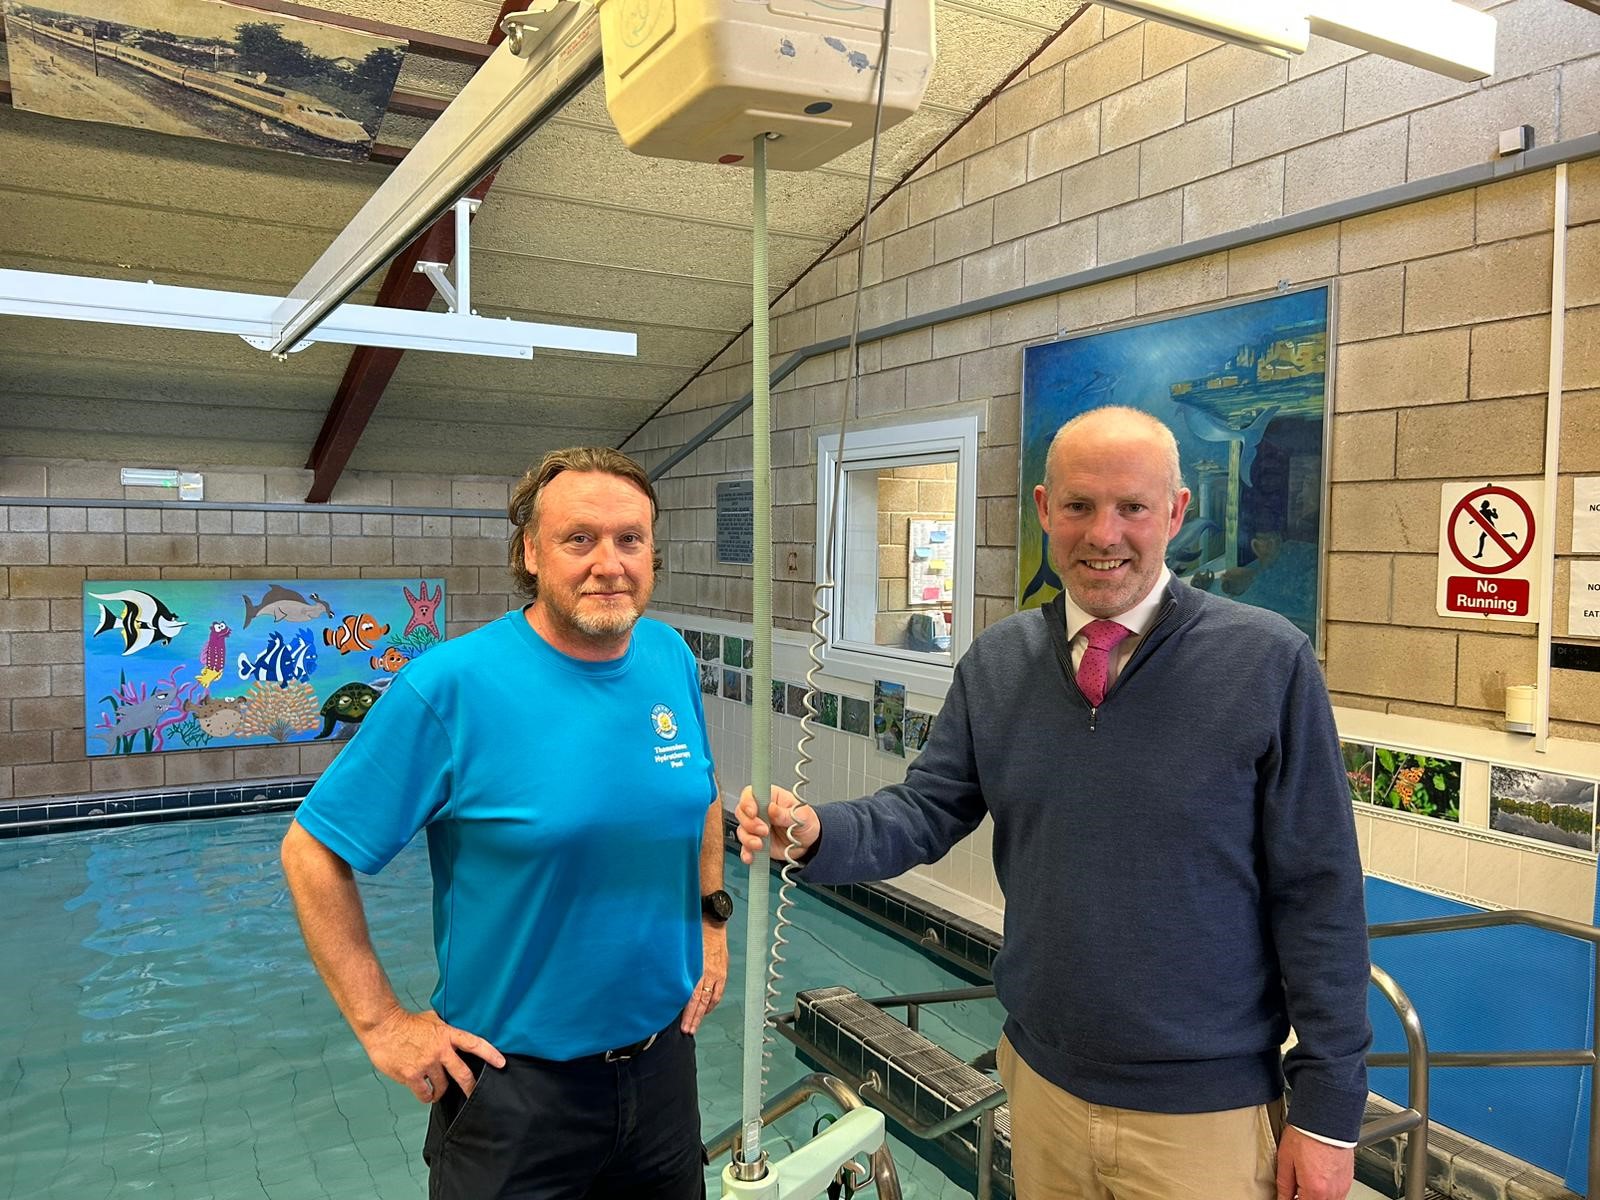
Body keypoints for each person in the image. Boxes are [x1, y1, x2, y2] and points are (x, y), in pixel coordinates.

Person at [738, 406, 1371, 1200]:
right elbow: (928, 808)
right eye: (1078, 506)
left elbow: (1321, 896)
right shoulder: (1000, 663)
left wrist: (1327, 1115)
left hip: (1203, 1117)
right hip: (1042, 1091)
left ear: (1175, 514)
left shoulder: (1267, 661)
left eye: (1132, 508)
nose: (1104, 534)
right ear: (1044, 510)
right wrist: (819, 829)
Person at [282, 446, 730, 1200]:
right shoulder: (452, 686)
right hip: (515, 1095)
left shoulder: (667, 655)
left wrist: (712, 916)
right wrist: (382, 1023)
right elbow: (312, 851)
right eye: (578, 539)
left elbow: (702, 794)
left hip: (662, 1073)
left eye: (630, 539)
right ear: (530, 551)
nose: (609, 564)